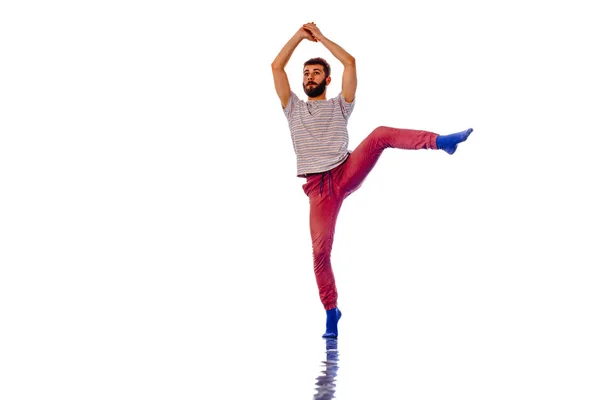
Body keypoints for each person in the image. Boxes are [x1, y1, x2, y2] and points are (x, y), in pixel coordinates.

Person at [271, 22, 473, 339]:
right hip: (320, 191)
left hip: (345, 169)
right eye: (306, 73)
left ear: (327, 79)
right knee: (320, 254)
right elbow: (276, 66)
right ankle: (331, 312)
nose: (309, 77)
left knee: (379, 135)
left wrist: (321, 39)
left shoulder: (341, 104)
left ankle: (440, 141)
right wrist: (299, 36)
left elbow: (350, 63)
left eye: (315, 73)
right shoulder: (292, 108)